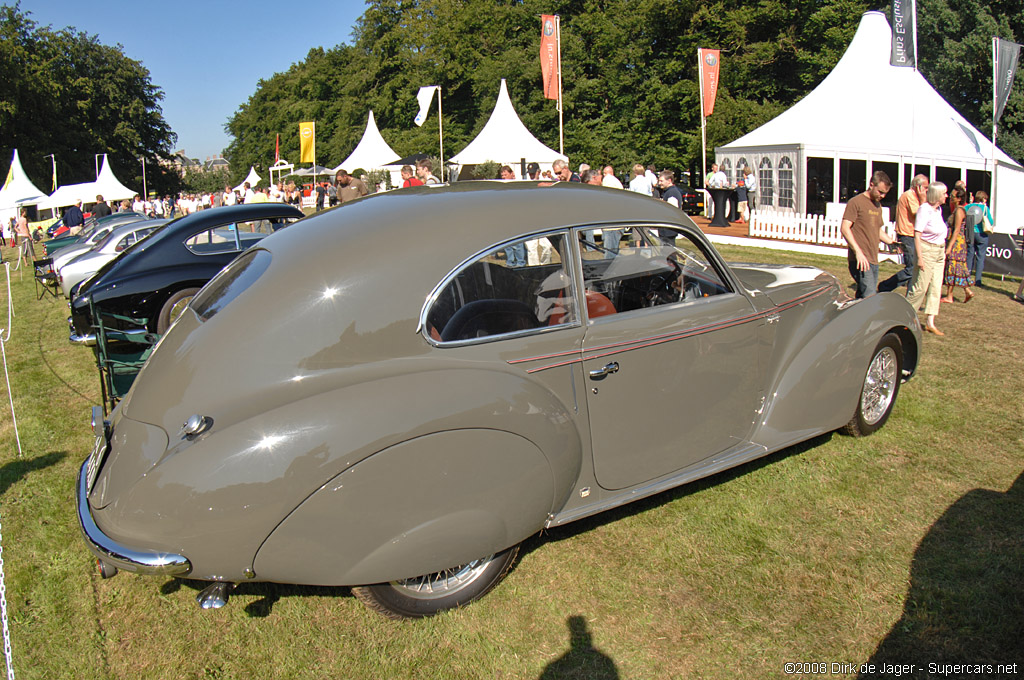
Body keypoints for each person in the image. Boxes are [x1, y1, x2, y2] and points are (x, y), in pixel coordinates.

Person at [840, 171, 894, 298]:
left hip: (873, 258)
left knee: (862, 296)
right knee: (870, 296)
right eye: (880, 192)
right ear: (871, 185)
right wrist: (858, 252)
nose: (883, 196)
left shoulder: (877, 205)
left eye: (885, 193)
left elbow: (877, 229)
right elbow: (845, 228)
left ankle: (853, 316)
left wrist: (892, 242)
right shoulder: (856, 202)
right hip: (860, 260)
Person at [906, 182, 949, 335]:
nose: (946, 196)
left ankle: (930, 322)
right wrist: (920, 258)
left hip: (939, 251)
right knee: (920, 287)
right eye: (944, 193)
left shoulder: (938, 210)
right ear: (937, 195)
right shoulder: (924, 210)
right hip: (926, 250)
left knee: (936, 286)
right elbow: (917, 235)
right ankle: (905, 317)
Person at [879, 174, 929, 293]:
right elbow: (918, 214)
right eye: (925, 188)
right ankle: (885, 286)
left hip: (913, 235)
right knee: (911, 268)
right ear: (918, 187)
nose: (927, 191)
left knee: (915, 268)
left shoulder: (915, 197)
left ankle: (911, 293)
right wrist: (923, 200)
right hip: (907, 235)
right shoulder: (909, 196)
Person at [940, 186, 974, 303]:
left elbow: (957, 230)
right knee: (958, 267)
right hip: (956, 241)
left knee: (953, 267)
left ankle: (950, 296)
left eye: (953, 196)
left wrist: (949, 247)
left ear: (959, 198)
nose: (950, 198)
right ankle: (967, 291)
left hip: (957, 242)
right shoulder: (956, 210)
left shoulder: (959, 211)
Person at [964, 190, 993, 287]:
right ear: (983, 199)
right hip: (981, 234)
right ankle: (978, 280)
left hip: (970, 232)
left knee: (969, 255)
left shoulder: (968, 206)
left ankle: (966, 276)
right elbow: (991, 222)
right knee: (980, 257)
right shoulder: (984, 208)